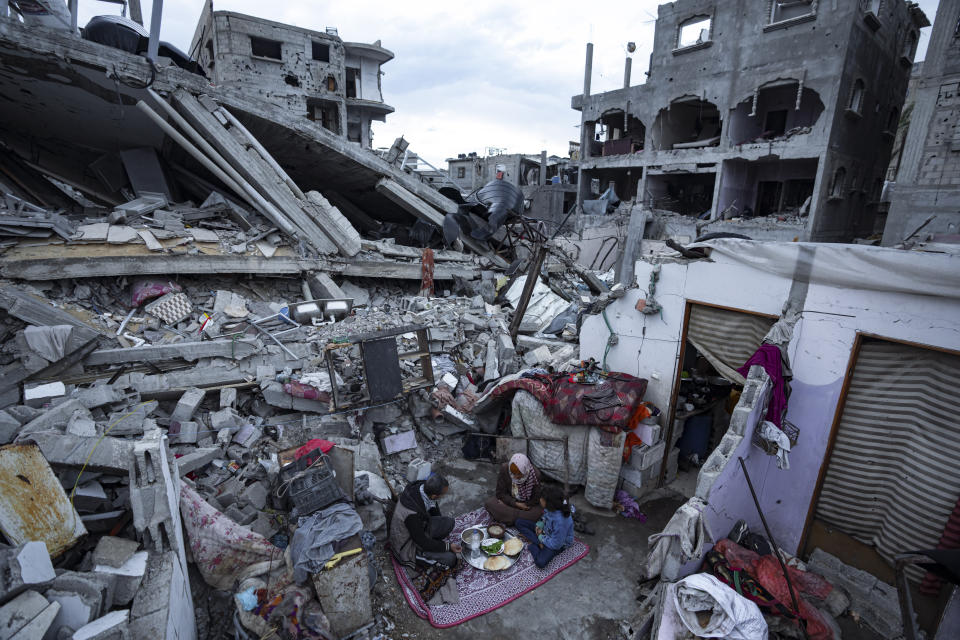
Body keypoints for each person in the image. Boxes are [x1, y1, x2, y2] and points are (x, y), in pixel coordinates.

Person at [389, 474, 461, 568]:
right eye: (442, 495)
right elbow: (422, 542)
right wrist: (447, 546)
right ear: (434, 496)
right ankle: (421, 556)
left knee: (449, 523)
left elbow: (433, 508)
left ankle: (433, 544)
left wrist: (440, 524)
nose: (443, 496)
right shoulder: (412, 514)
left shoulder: (423, 488)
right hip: (408, 545)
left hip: (420, 528)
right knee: (451, 559)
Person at [515, 485, 574, 569]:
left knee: (540, 562)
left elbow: (556, 544)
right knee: (519, 522)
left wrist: (540, 537)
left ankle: (535, 543)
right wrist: (540, 525)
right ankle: (538, 542)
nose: (540, 500)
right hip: (546, 531)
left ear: (549, 502)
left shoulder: (561, 522)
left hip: (557, 543)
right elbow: (544, 518)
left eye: (541, 498)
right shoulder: (550, 509)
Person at [484, 453, 543, 525]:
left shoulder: (535, 475)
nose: (515, 477)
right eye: (513, 473)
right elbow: (500, 493)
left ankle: (508, 517)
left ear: (526, 470)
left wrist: (524, 505)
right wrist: (515, 504)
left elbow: (535, 499)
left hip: (526, 505)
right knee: (489, 503)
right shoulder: (505, 469)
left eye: (519, 474)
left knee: (538, 513)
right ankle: (518, 520)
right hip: (511, 501)